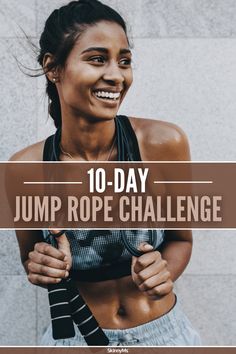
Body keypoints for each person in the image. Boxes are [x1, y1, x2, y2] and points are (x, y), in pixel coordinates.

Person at [11, 0, 201, 346]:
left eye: (124, 61)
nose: (116, 75)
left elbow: (181, 240)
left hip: (165, 335)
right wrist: (41, 264)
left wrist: (164, 271)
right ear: (53, 68)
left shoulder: (163, 143)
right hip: (77, 338)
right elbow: (31, 257)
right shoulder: (24, 169)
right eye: (97, 59)